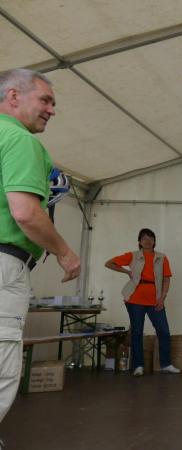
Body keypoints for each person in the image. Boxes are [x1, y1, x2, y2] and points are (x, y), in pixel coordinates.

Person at [0, 69, 80, 423]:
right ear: (13, 96)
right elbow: (26, 213)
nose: (52, 110)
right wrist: (65, 252)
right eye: (45, 100)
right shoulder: (20, 140)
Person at [105, 228, 180, 375]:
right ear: (139, 242)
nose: (148, 240)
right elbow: (109, 263)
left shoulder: (162, 257)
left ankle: (166, 364)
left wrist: (162, 298)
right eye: (144, 238)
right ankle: (138, 365)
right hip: (135, 299)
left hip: (155, 299)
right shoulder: (132, 255)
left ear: (154, 241)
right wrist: (127, 271)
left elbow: (166, 279)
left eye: (150, 238)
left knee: (164, 331)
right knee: (137, 331)